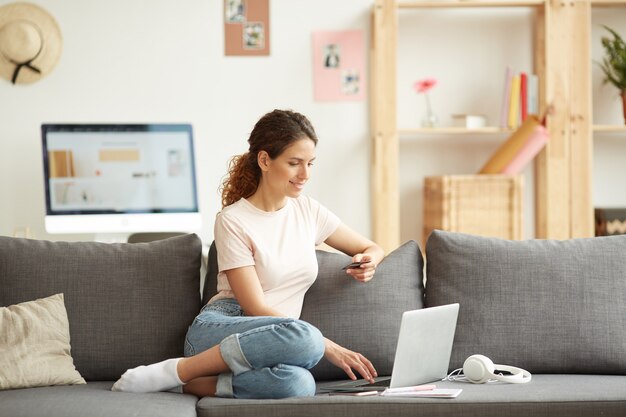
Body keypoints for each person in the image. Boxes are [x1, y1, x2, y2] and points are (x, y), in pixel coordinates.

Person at [111, 109, 385, 399]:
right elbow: (254, 306)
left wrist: (370, 262)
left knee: (298, 384)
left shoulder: (309, 211)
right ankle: (179, 370)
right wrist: (326, 345)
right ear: (265, 160)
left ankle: (184, 385)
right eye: (294, 163)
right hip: (221, 328)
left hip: (277, 340)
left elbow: (371, 247)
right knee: (308, 339)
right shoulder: (233, 220)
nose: (305, 175)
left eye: (310, 163)